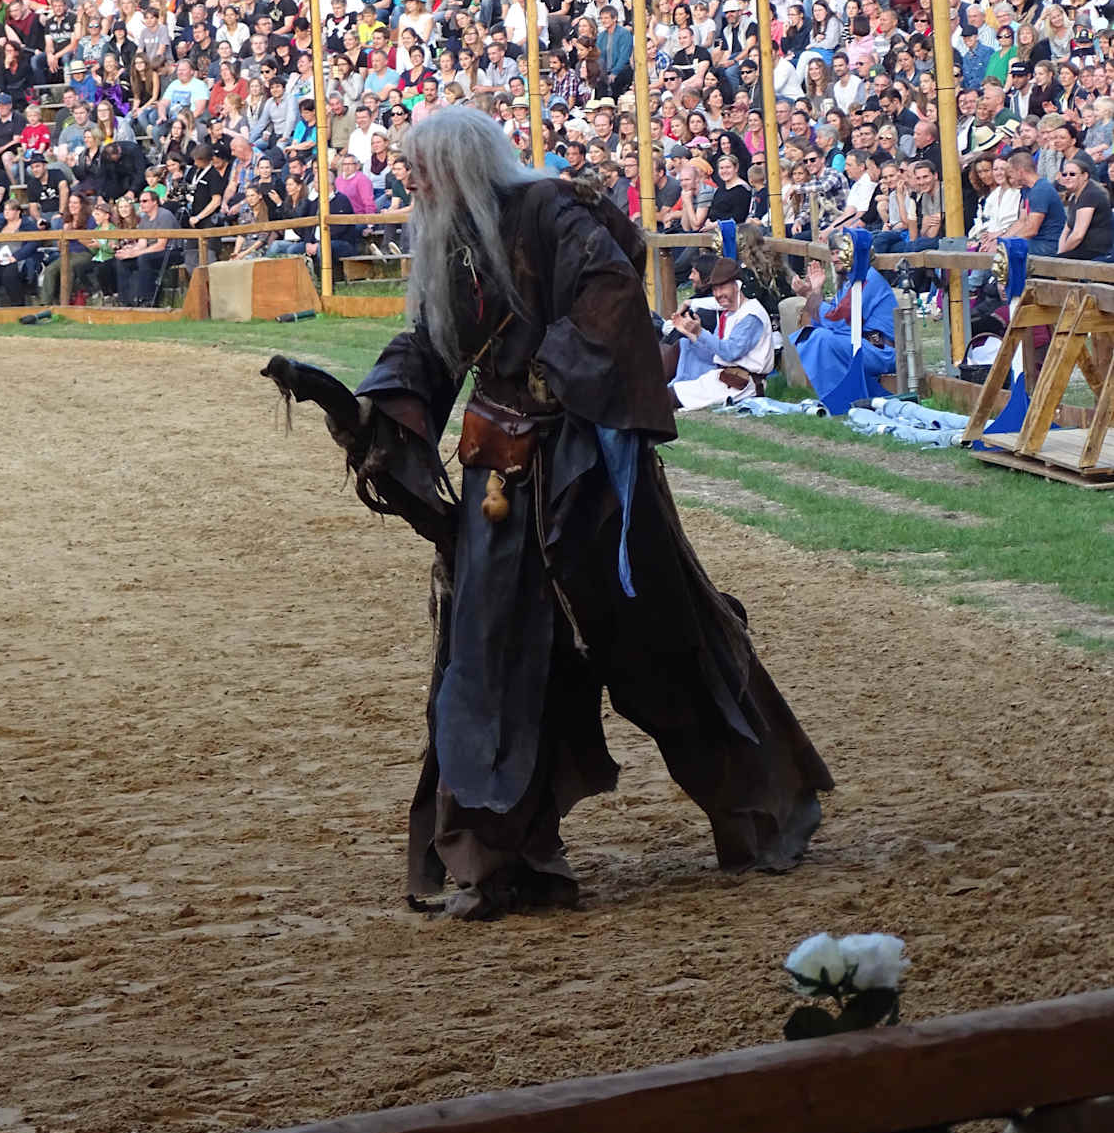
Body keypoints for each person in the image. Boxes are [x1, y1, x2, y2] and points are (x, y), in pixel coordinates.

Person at [264, 107, 831, 919]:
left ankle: (767, 810)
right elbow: (431, 347)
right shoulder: (452, 243)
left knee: (665, 643)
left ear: (461, 166)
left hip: (588, 475)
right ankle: (506, 863)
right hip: (501, 483)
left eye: (420, 167)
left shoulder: (552, 210)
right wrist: (369, 409)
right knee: (489, 659)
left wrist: (548, 371)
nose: (409, 182)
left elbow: (611, 289)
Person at [787, 231, 897, 399]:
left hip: (882, 352)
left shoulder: (868, 279)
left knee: (821, 339)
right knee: (817, 335)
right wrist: (816, 290)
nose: (835, 258)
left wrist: (810, 296)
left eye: (839, 252)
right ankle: (841, 399)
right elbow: (825, 323)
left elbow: (839, 322)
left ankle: (840, 399)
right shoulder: (848, 283)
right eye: (832, 253)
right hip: (862, 346)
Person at [663, 256, 775, 410]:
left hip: (743, 385)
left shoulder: (751, 316)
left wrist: (700, 332)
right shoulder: (729, 313)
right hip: (724, 379)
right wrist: (690, 333)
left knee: (666, 397)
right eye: (715, 289)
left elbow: (730, 352)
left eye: (722, 288)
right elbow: (715, 352)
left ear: (736, 285)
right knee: (682, 346)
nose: (717, 294)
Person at [1057, 152, 1113, 261]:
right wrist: (1060, 252)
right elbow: (1066, 230)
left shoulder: (1090, 194)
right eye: (1064, 174)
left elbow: (1078, 236)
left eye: (1072, 174)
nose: (1067, 177)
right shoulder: (1074, 197)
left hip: (1095, 252)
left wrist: (1060, 256)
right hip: (1079, 251)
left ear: (1085, 176)